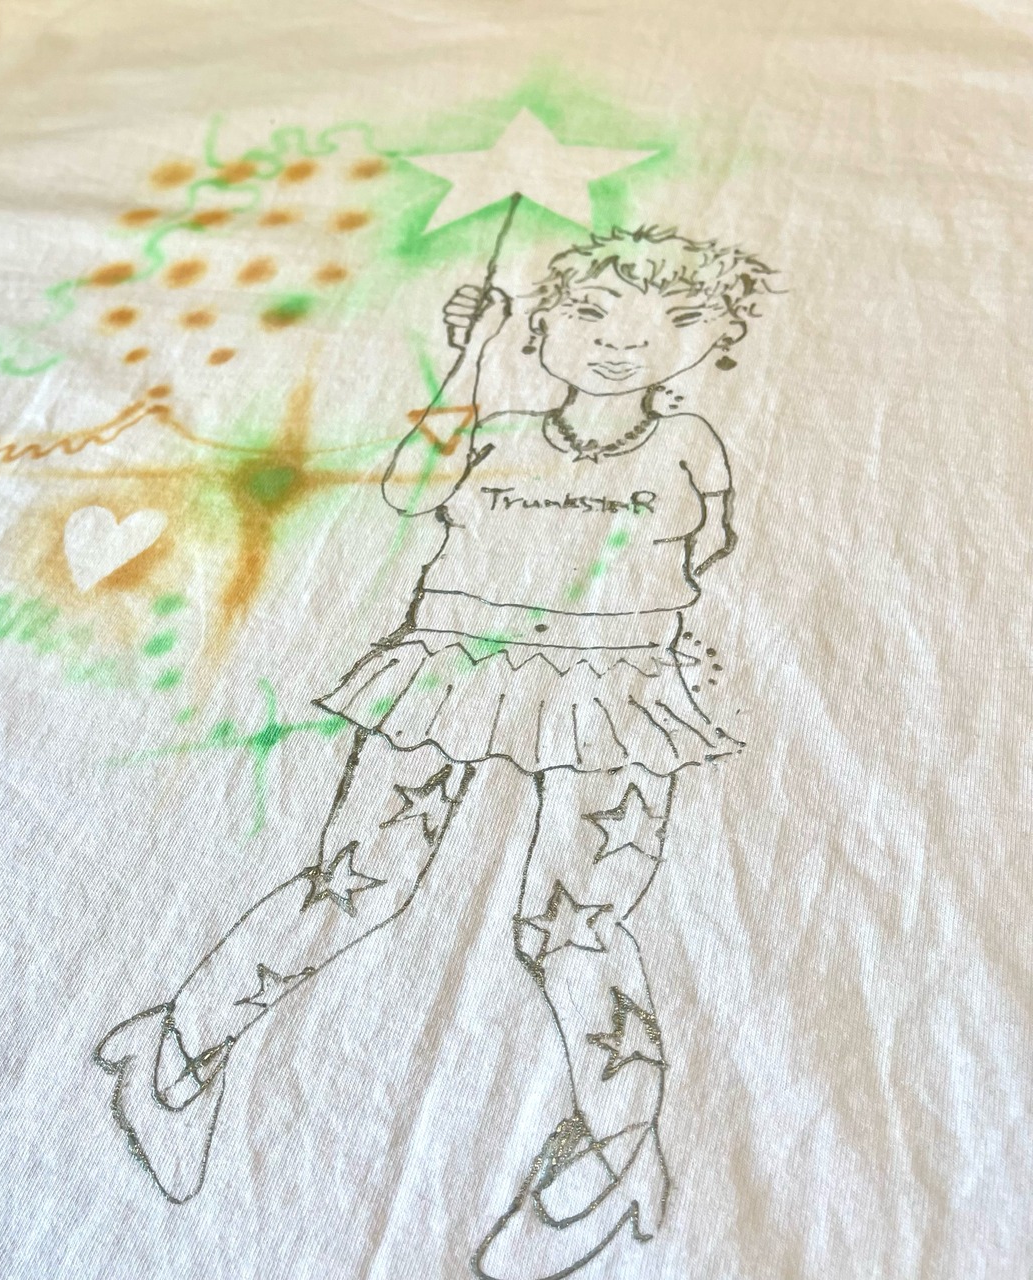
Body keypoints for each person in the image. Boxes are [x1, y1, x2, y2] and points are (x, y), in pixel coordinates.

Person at [96, 226, 778, 1279]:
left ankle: (616, 1139)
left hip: (613, 676)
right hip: (457, 656)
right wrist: (467, 359)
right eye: (589, 315)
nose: (618, 342)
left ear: (701, 343)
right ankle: (177, 1047)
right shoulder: (498, 427)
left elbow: (708, 541)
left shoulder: (689, 443)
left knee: (574, 922)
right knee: (359, 877)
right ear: (541, 328)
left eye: (664, 324)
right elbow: (412, 488)